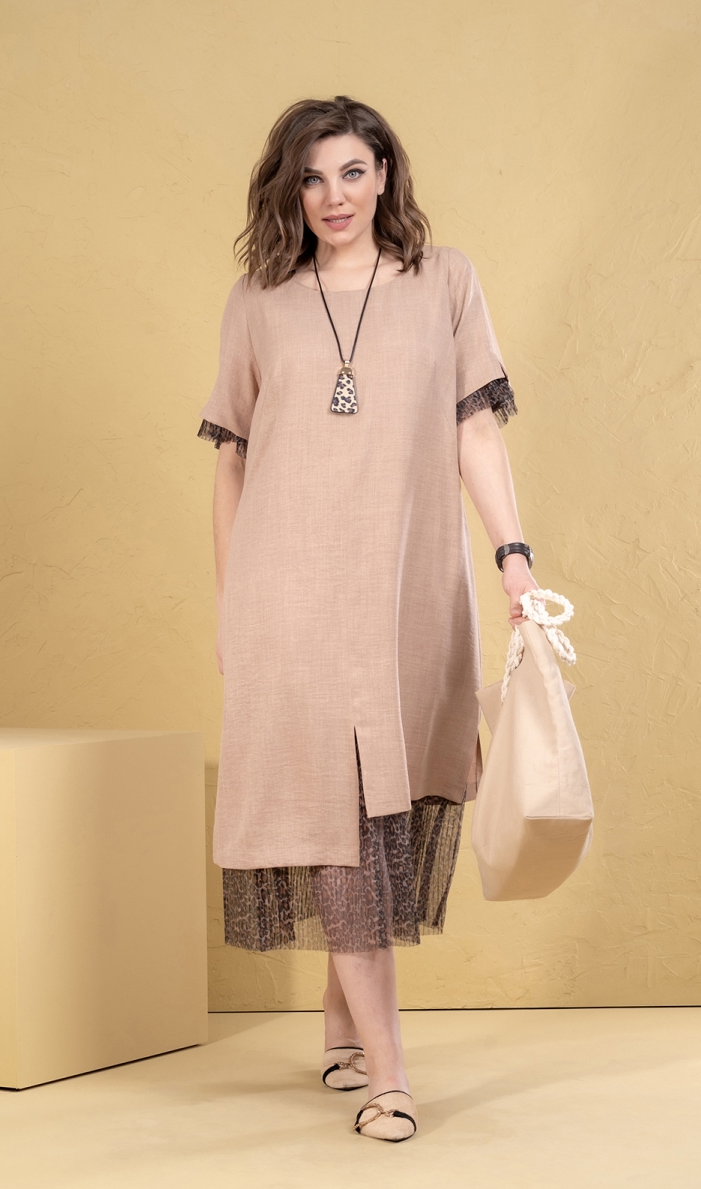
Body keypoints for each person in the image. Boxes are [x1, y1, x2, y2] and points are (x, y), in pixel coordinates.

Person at [197, 95, 538, 1143]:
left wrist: (515, 558)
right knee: (334, 818)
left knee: (378, 806)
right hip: (288, 591)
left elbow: (475, 432)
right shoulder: (260, 299)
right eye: (312, 178)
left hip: (405, 591)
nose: (333, 197)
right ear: (291, 190)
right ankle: (390, 1076)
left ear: (385, 173)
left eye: (351, 171)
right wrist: (231, 608)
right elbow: (231, 461)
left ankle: (342, 1029)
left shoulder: (446, 282)